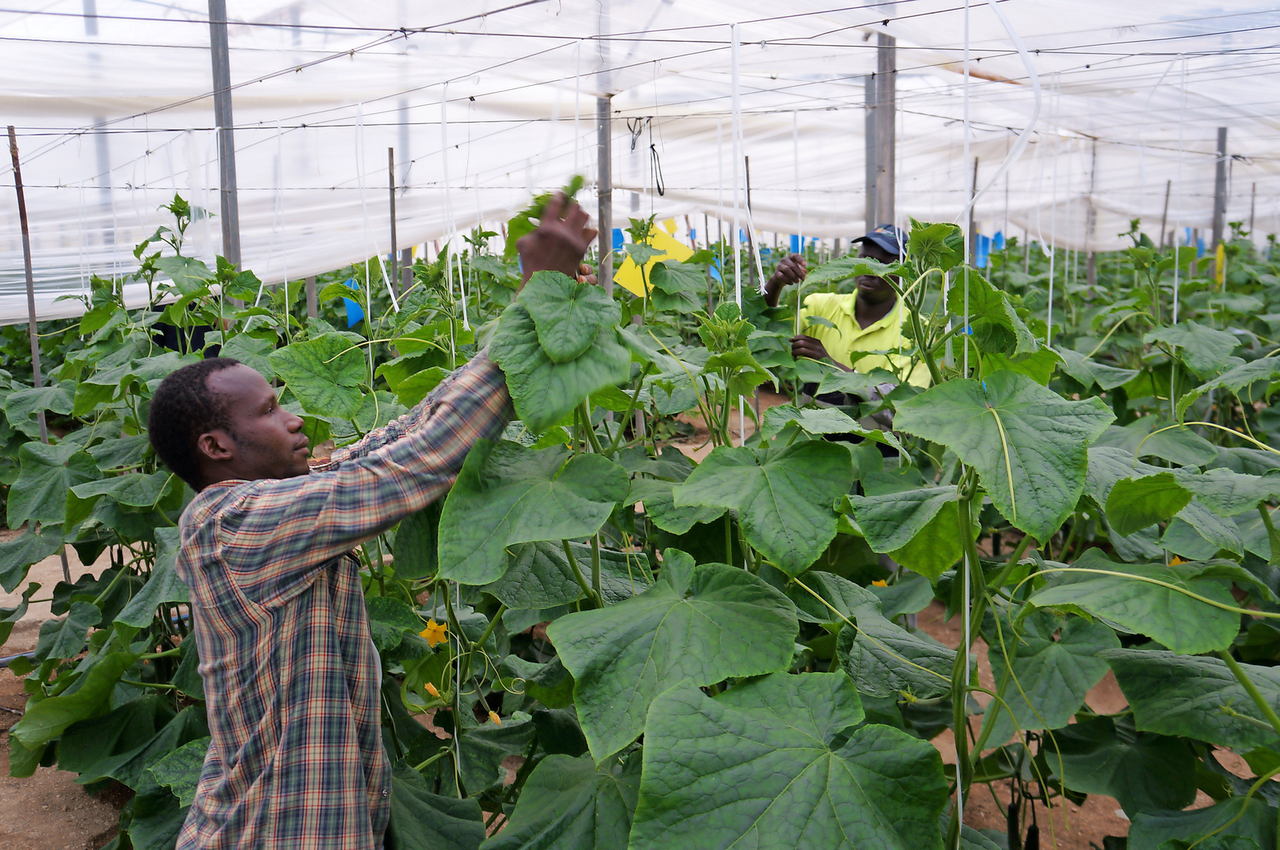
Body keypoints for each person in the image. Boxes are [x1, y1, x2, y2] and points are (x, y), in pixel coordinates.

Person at [148, 195, 596, 850]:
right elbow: (410, 468)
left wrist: (529, 314)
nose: (295, 418)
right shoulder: (233, 524)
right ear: (216, 447)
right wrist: (539, 296)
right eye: (271, 411)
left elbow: (398, 439)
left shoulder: (282, 500)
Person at [764, 224, 930, 390]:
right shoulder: (820, 306)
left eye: (881, 265)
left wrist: (831, 365)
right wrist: (775, 284)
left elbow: (903, 402)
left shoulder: (917, 332)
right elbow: (766, 330)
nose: (868, 270)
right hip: (810, 415)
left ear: (903, 272)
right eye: (863, 260)